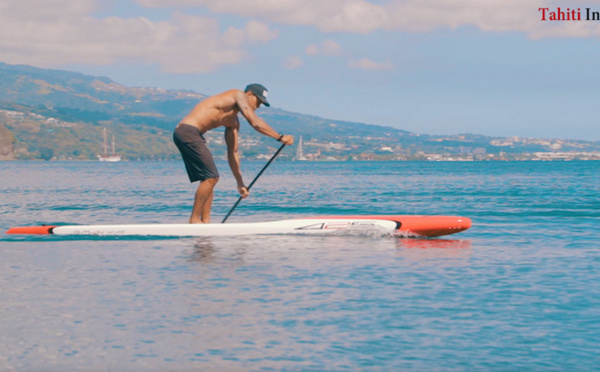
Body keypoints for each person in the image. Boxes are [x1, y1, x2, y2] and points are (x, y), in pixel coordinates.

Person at [173, 84, 294, 223]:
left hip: (191, 134)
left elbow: (233, 153)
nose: (258, 106)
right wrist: (279, 137)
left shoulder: (233, 122)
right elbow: (254, 122)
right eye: (258, 101)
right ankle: (194, 219)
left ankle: (205, 222)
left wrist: (240, 183)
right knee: (211, 178)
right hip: (187, 131)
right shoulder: (237, 94)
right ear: (249, 94)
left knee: (208, 179)